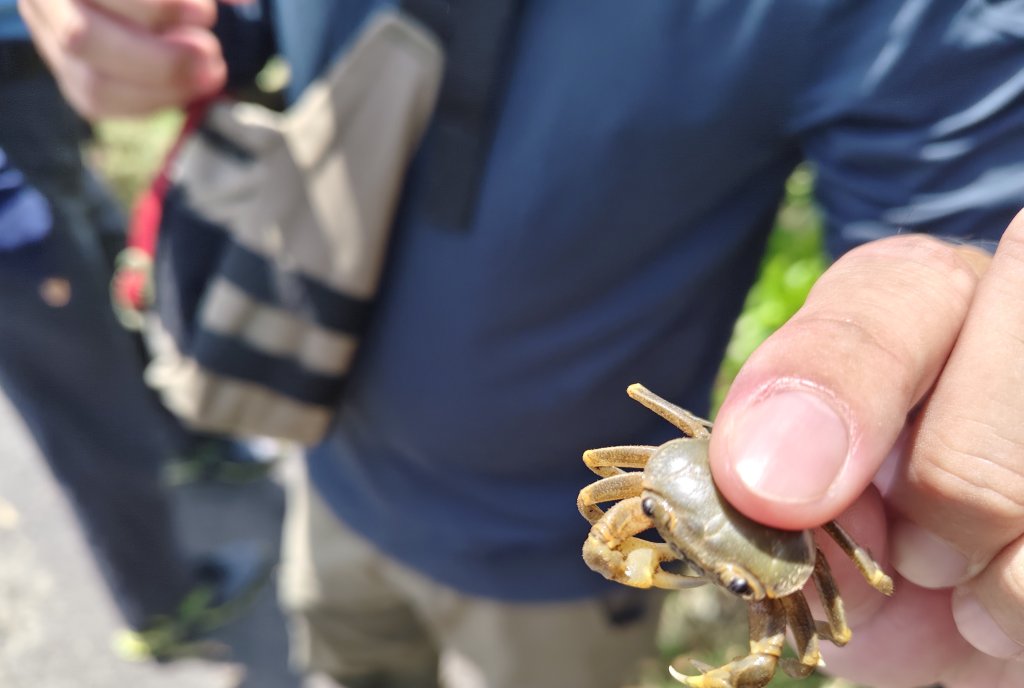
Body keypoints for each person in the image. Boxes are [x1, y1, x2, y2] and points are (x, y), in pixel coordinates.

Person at [20, 1, 1024, 687]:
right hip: (325, 466)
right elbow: (238, 26)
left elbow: (960, 236)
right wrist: (137, 31)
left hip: (543, 578)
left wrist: (962, 346)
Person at [0, 9, 272, 660]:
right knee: (78, 390)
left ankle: (185, 440)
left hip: (33, 91)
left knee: (115, 279)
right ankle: (161, 605)